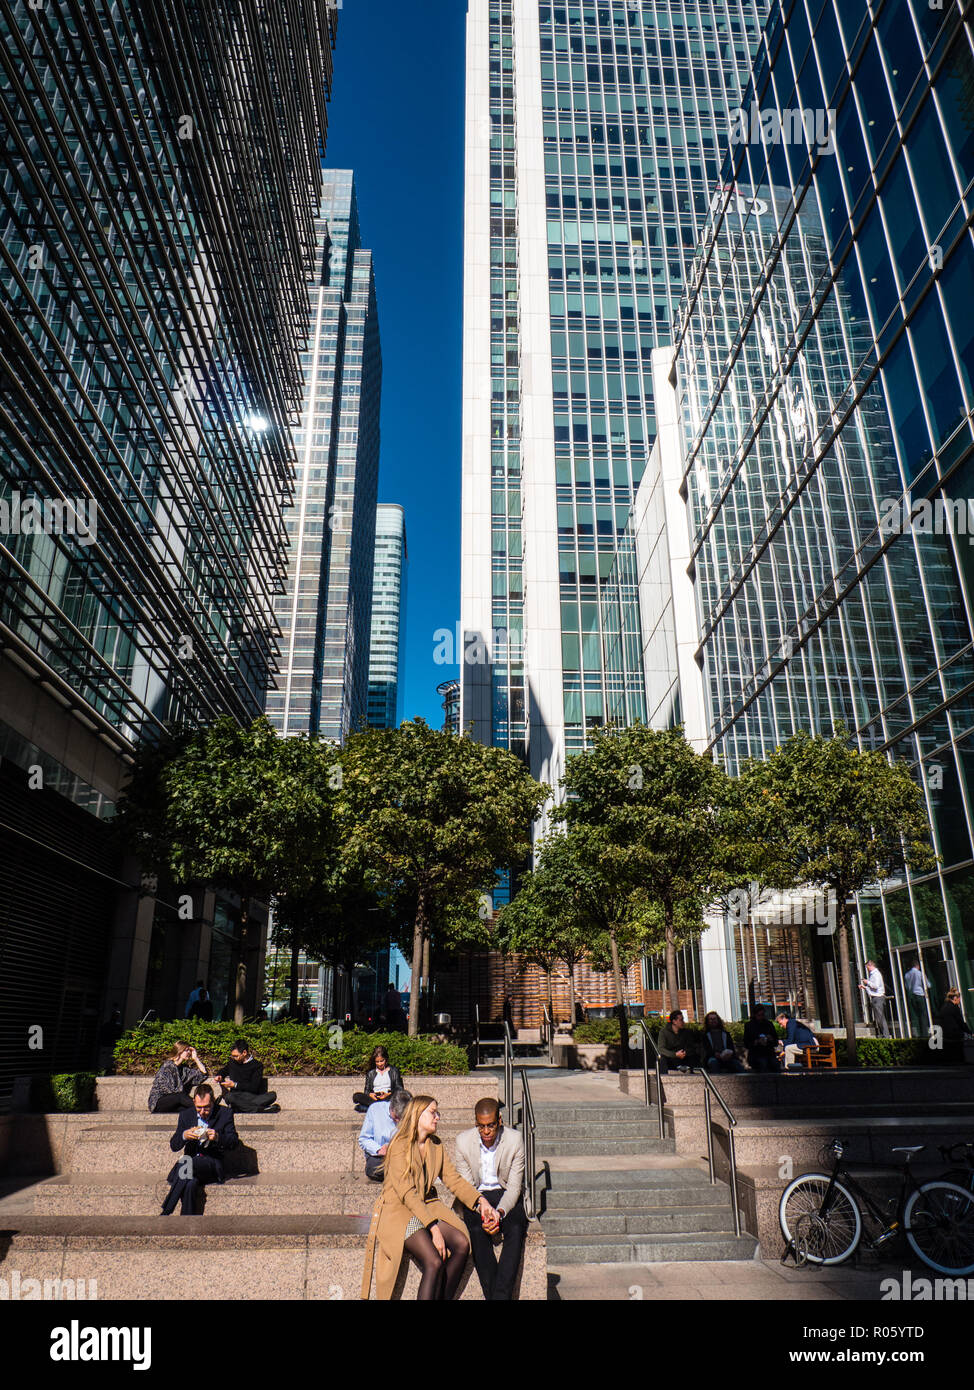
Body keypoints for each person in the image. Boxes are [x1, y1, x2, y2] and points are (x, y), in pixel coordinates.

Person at [360, 1095, 497, 1301]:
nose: (437, 1117)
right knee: (433, 1260)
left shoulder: (436, 1145)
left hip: (426, 1205)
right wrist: (434, 1229)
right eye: (433, 1112)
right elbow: (407, 1193)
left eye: (437, 1112)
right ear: (418, 1115)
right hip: (398, 1211)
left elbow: (454, 1180)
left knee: (462, 1243)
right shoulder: (399, 1145)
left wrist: (480, 1201)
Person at [453, 1097, 527, 1301]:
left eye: (491, 1126)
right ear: (476, 1123)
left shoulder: (514, 1140)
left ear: (500, 1121)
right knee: (476, 1230)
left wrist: (499, 1213)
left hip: (505, 1194)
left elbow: (513, 1188)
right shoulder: (463, 1141)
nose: (486, 1132)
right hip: (477, 1197)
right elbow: (466, 1187)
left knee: (516, 1228)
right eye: (481, 1126)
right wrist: (483, 1210)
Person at [161, 1083, 238, 1215]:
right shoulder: (186, 1115)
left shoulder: (225, 1113)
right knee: (190, 1183)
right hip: (189, 1166)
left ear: (213, 1102)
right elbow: (174, 1145)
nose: (202, 1112)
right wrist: (184, 1135)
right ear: (193, 1102)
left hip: (212, 1163)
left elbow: (234, 1142)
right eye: (199, 1108)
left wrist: (218, 1137)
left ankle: (166, 1211)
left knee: (186, 1163)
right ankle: (188, 1220)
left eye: (207, 1108)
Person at [359, 1088, 412, 1181]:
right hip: (381, 1156)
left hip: (403, 1154)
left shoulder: (412, 1114)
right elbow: (364, 1139)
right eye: (396, 1117)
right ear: (391, 1107)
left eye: (402, 1118)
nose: (399, 1121)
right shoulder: (375, 1109)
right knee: (374, 1168)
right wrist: (379, 1149)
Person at [214, 1039, 279, 1113]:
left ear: (244, 1053)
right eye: (233, 1056)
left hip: (251, 1096)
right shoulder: (232, 1063)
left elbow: (254, 1087)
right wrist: (219, 1076)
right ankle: (259, 1109)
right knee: (229, 1097)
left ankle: (241, 1107)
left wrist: (235, 1085)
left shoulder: (257, 1065)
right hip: (236, 1096)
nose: (234, 1058)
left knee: (272, 1095)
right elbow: (224, 1071)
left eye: (236, 1056)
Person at [147, 1041, 208, 1114]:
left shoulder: (184, 1070)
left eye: (189, 1050)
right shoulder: (168, 1066)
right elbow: (168, 1090)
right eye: (186, 1050)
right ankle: (204, 1106)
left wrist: (196, 1058)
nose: (189, 1052)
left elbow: (203, 1075)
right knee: (180, 1096)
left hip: (175, 1102)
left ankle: (211, 1109)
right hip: (159, 1103)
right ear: (180, 1051)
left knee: (188, 1110)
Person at [352, 1046, 403, 1112]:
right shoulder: (371, 1073)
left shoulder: (394, 1071)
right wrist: (371, 1094)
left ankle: (373, 1108)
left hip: (388, 1097)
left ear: (386, 1059)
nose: (379, 1064)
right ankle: (381, 1107)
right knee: (356, 1096)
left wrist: (387, 1094)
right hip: (375, 1098)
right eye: (377, 1062)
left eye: (382, 1061)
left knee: (399, 1096)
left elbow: (399, 1089)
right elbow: (367, 1091)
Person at [935, 987, 972, 1065]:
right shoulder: (954, 1008)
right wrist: (970, 1032)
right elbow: (961, 1022)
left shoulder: (944, 1007)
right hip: (955, 1034)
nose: (959, 1000)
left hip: (945, 1034)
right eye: (959, 998)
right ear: (955, 998)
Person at [743, 1006, 780, 1072]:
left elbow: (775, 1041)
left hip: (768, 1052)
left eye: (762, 1015)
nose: (761, 1017)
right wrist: (757, 1041)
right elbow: (746, 1043)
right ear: (755, 1015)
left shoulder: (768, 1024)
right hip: (755, 1053)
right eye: (759, 1015)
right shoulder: (749, 1026)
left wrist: (770, 1039)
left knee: (775, 1063)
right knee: (763, 1063)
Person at [859, 960, 890, 1037]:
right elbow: (874, 988)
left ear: (870, 966)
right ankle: (883, 1035)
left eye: (867, 967)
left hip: (878, 998)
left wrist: (867, 982)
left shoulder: (875, 974)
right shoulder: (874, 974)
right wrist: (865, 987)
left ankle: (885, 1036)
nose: (867, 969)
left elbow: (875, 986)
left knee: (881, 1018)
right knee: (879, 1018)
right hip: (876, 997)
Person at [904, 958, 931, 1039]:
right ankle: (924, 1034)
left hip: (912, 996)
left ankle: (918, 1032)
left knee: (916, 1015)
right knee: (923, 1015)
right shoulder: (920, 973)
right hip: (920, 995)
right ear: (918, 966)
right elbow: (928, 985)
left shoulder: (907, 975)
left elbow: (907, 986)